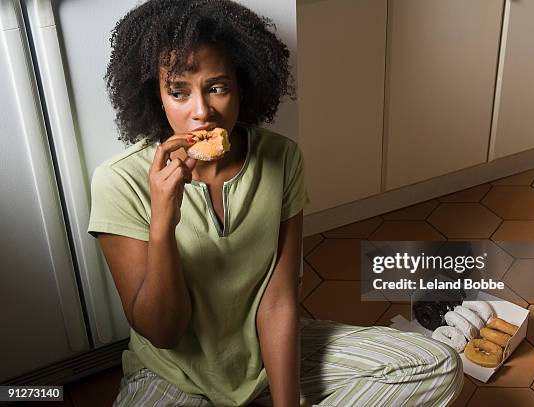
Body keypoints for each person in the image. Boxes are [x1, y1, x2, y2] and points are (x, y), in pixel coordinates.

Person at [87, 0, 463, 406]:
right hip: (175, 373)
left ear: (241, 87)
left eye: (217, 87)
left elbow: (279, 298)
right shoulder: (119, 180)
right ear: (156, 96)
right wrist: (162, 221)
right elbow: (163, 333)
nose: (201, 112)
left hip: (266, 354)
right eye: (179, 92)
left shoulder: (281, 158)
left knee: (435, 365)